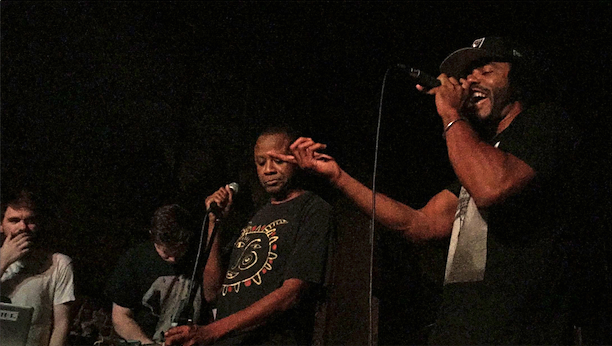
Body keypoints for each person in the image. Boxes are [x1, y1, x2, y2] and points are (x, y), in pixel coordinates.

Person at [272, 37, 577, 344]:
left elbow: (491, 188)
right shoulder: (479, 155)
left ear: (519, 80)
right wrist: (337, 177)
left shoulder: (545, 123)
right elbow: (419, 223)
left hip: (520, 332)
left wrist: (451, 115)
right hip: (460, 331)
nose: (472, 81)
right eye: (467, 75)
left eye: (486, 71)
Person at [164, 126, 334, 345]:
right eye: (261, 162)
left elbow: (292, 293)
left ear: (296, 160)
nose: (268, 170)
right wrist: (215, 225)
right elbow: (212, 292)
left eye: (277, 161)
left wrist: (212, 331)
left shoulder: (313, 209)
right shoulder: (255, 214)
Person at [106, 204, 206, 345]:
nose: (173, 259)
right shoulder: (135, 259)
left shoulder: (201, 257)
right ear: (154, 238)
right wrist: (147, 343)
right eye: (166, 253)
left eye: (178, 251)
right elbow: (120, 316)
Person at [1, 189, 75, 346]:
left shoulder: (58, 264)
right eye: (14, 221)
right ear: (1, 225)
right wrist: (3, 260)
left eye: (30, 221)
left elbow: (61, 326)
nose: (22, 227)